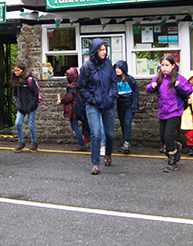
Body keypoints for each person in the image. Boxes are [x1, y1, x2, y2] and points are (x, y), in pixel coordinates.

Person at [146, 54, 193, 172]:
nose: (164, 68)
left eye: (167, 65)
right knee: (163, 137)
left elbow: (189, 89)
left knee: (168, 136)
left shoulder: (179, 78)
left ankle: (172, 161)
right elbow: (148, 89)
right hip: (163, 111)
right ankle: (176, 147)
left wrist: (179, 85)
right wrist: (152, 86)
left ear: (173, 66)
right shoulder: (158, 78)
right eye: (162, 65)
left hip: (175, 111)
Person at [78, 38, 118, 175]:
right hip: (93, 105)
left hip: (108, 104)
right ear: (95, 51)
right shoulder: (86, 67)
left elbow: (114, 82)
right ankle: (95, 163)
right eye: (101, 49)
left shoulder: (108, 64)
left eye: (105, 49)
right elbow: (81, 88)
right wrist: (92, 99)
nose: (104, 52)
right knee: (96, 133)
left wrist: (113, 95)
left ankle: (108, 153)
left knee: (110, 134)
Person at [11, 61, 40, 152]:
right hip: (21, 107)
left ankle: (34, 143)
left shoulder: (29, 80)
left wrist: (31, 105)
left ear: (22, 70)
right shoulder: (15, 81)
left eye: (18, 70)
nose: (16, 72)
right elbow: (15, 95)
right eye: (14, 70)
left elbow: (35, 94)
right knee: (18, 123)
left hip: (31, 106)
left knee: (31, 125)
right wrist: (17, 105)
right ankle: (21, 142)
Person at [57, 66, 87, 151]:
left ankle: (82, 144)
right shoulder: (79, 84)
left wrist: (61, 101)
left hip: (73, 110)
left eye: (68, 76)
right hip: (79, 109)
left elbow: (68, 98)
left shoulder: (72, 87)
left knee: (75, 127)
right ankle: (86, 141)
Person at [114, 60, 139, 154]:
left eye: (119, 68)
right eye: (116, 68)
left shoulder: (130, 79)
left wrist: (134, 105)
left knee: (127, 123)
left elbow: (136, 92)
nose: (117, 70)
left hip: (129, 104)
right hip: (120, 105)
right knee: (123, 124)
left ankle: (127, 143)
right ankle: (125, 142)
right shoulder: (115, 79)